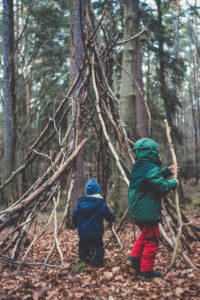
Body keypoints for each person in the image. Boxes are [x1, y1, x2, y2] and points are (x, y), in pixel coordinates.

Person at [127, 138, 178, 279]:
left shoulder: (138, 167)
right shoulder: (151, 168)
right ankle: (146, 271)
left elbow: (151, 179)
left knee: (145, 235)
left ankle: (133, 258)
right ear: (152, 153)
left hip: (138, 210)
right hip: (147, 212)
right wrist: (174, 182)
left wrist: (167, 171)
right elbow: (161, 186)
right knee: (152, 240)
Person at [72, 178, 115, 267]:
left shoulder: (80, 204)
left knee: (83, 247)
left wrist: (75, 224)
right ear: (98, 191)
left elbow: (74, 216)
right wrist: (112, 218)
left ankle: (84, 262)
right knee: (97, 248)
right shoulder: (101, 204)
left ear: (87, 191)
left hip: (83, 233)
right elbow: (110, 217)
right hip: (96, 233)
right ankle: (96, 264)